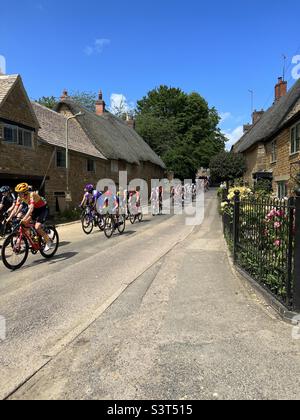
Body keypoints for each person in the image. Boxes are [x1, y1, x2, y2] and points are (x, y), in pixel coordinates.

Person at [7, 183, 52, 251]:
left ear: (25, 192)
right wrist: (9, 218)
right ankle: (32, 239)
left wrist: (24, 218)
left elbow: (31, 209)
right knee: (24, 224)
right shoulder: (19, 197)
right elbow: (15, 208)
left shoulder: (32, 195)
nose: (18, 194)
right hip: (35, 210)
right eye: (17, 193)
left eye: (20, 193)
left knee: (37, 227)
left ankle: (48, 241)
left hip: (43, 209)